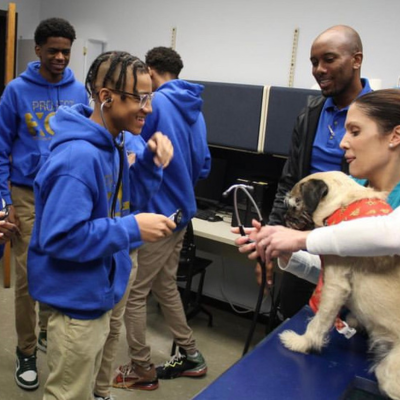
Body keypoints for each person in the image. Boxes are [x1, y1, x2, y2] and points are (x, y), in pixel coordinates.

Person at [27, 51, 176, 400]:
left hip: (98, 293)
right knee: (68, 393)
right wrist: (131, 229)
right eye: (139, 98)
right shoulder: (79, 158)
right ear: (106, 97)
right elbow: (62, 238)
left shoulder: (114, 143)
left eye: (149, 96)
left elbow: (124, 203)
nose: (148, 108)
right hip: (76, 305)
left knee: (85, 386)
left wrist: (151, 165)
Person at [113, 46, 211, 391]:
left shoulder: (154, 105)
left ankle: (142, 369)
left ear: (151, 71)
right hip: (183, 212)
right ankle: (191, 355)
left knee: (134, 295)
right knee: (165, 285)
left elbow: (138, 151)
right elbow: (204, 164)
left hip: (156, 213)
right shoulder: (195, 111)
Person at [258, 25, 372, 319]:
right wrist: (271, 237)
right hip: (303, 242)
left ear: (356, 60)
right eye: (313, 62)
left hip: (353, 249)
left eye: (329, 59)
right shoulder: (310, 114)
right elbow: (289, 183)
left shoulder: (380, 118)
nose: (319, 69)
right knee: (288, 322)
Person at [0, 17, 89, 390]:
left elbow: (86, 141)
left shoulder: (79, 91)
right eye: (52, 50)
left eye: (66, 52)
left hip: (63, 194)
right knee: (28, 276)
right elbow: (1, 148)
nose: (60, 58)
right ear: (37, 50)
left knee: (58, 268)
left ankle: (44, 333)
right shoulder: (16, 92)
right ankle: (25, 350)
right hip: (25, 194)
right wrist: (4, 201)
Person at [236, 89, 400, 286]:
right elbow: (341, 276)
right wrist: (288, 253)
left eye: (355, 132)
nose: (342, 143)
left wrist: (301, 238)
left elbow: (388, 234)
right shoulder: (351, 190)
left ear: (395, 136)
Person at [93, 133, 173, 400]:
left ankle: (100, 390)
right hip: (101, 253)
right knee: (93, 330)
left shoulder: (135, 141)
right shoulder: (85, 151)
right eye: (139, 97)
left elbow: (131, 198)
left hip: (129, 247)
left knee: (115, 324)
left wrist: (147, 161)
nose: (146, 108)